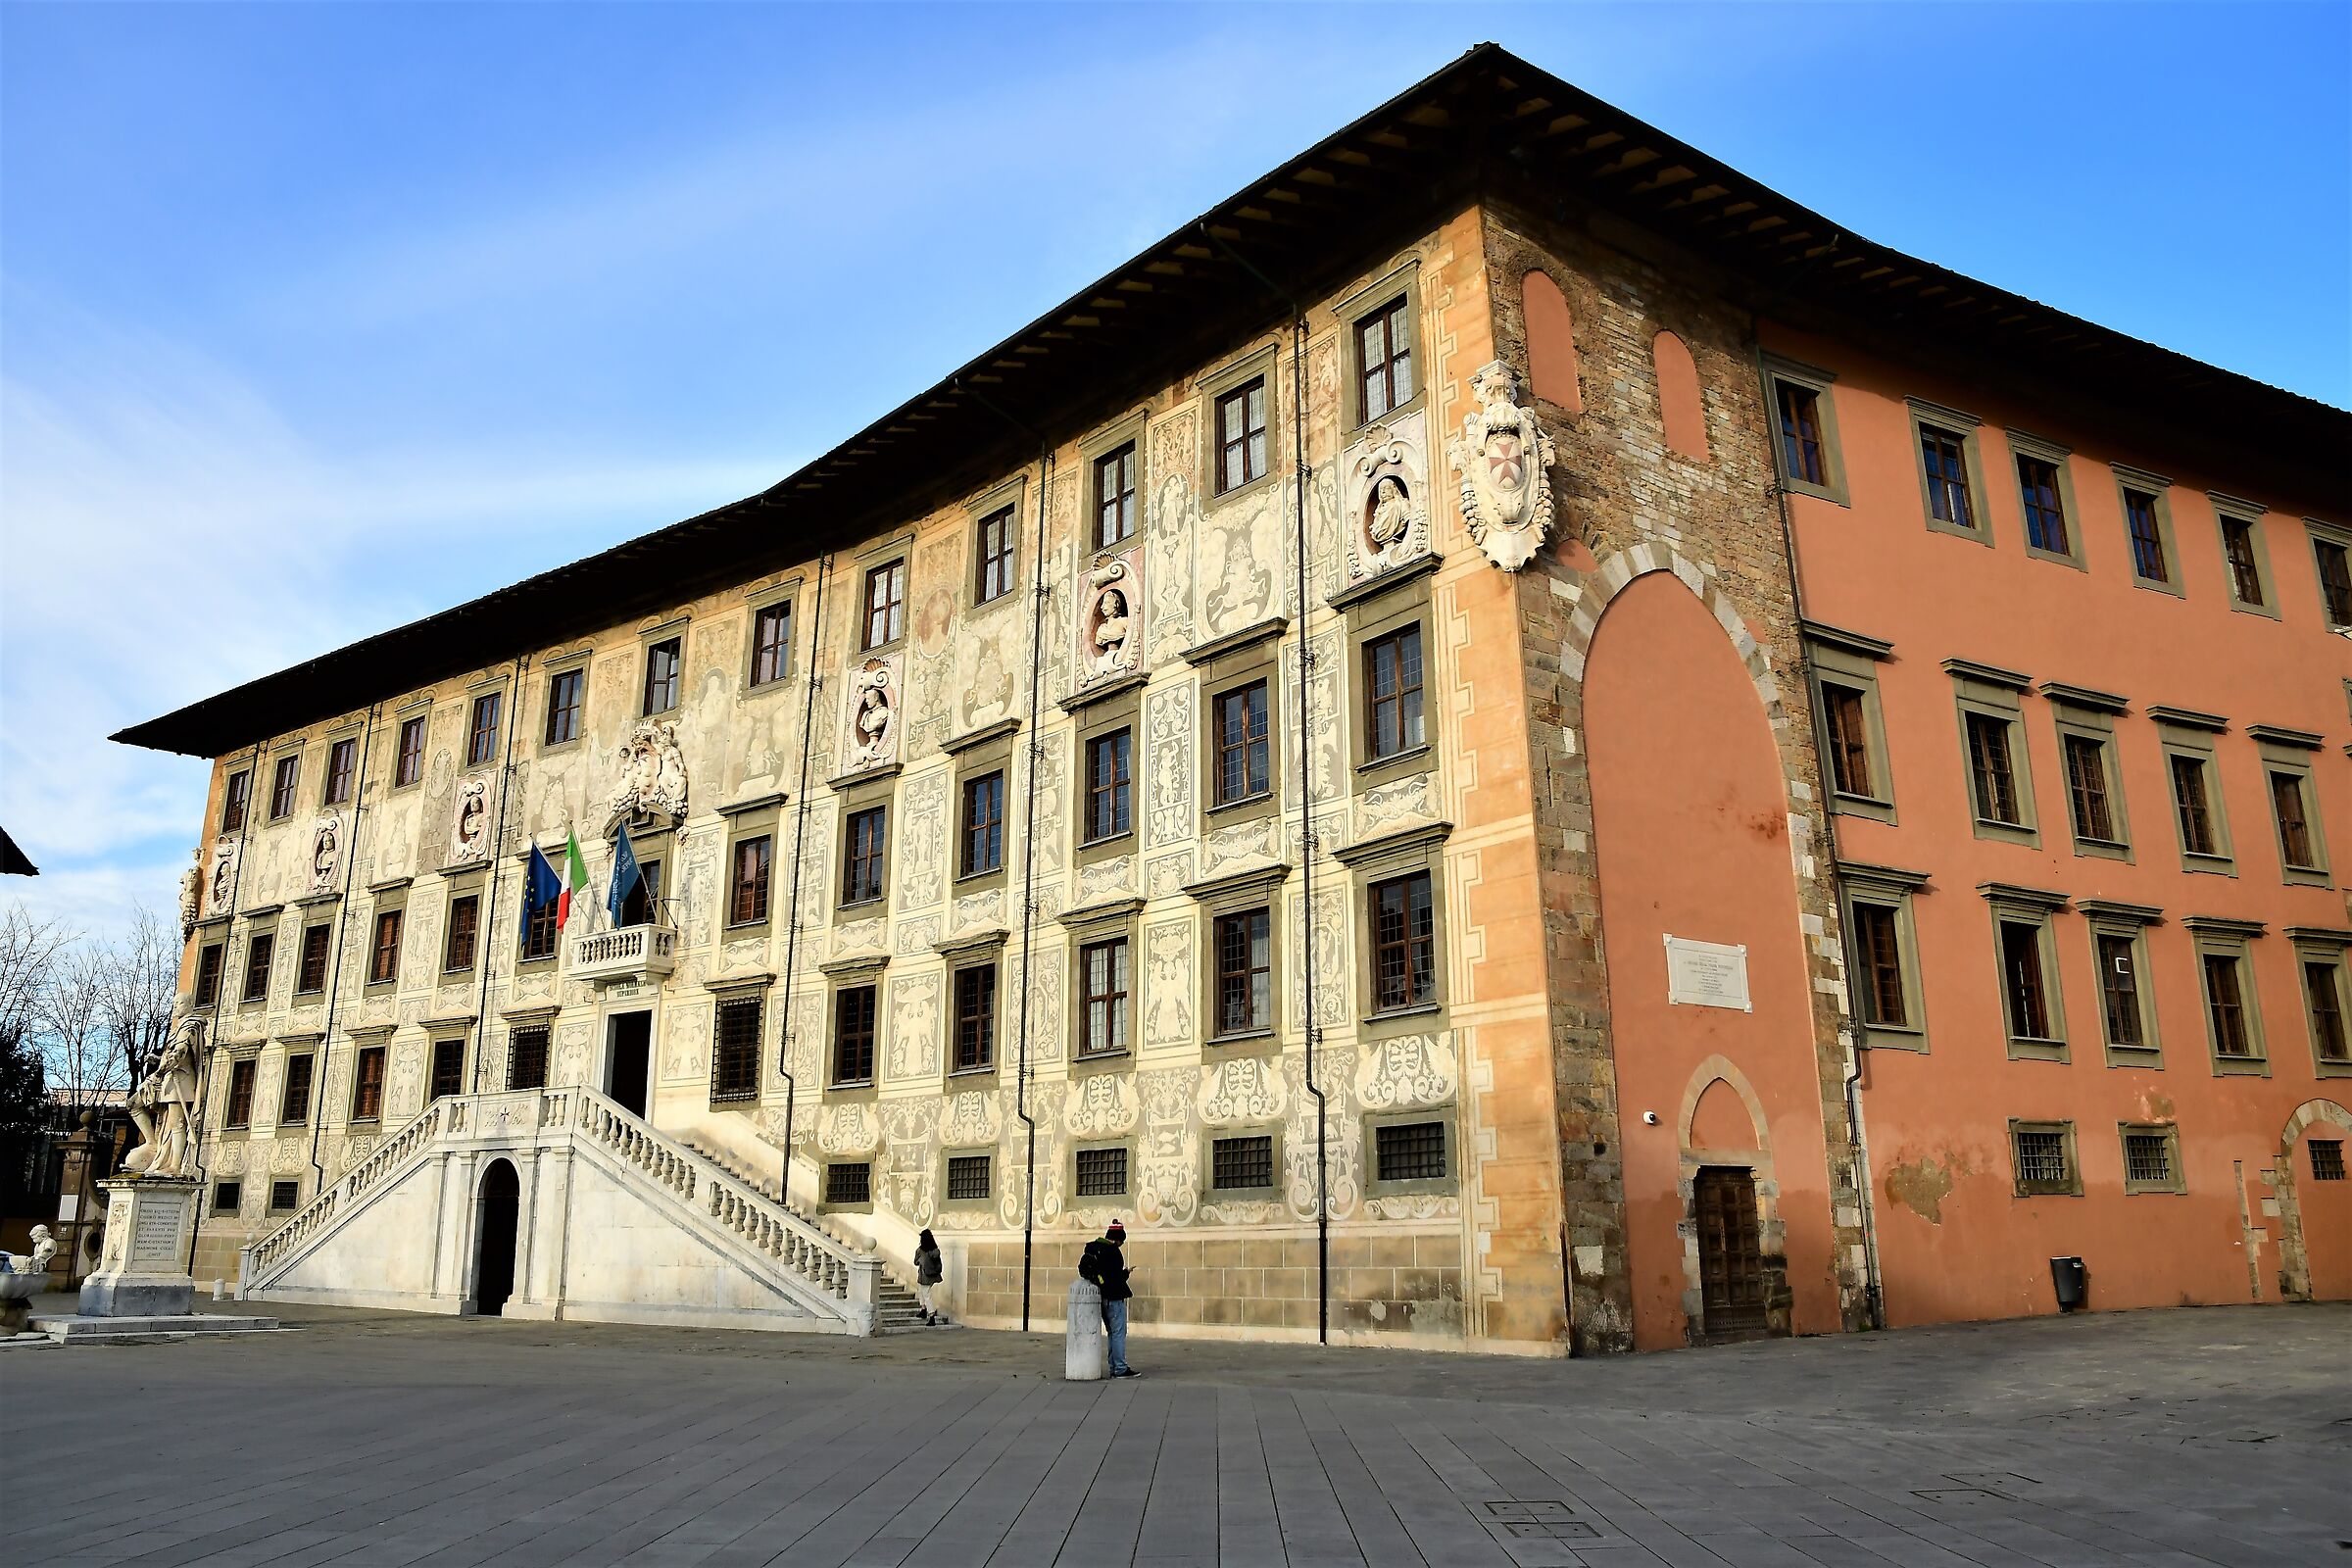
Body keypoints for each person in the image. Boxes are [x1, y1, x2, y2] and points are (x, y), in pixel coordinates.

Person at [1078, 1220, 1139, 1378]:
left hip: (1101, 1297)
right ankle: (1119, 1368)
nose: (1121, 1244)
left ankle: (1115, 1367)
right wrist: (1126, 1272)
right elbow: (1115, 1278)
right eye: (1121, 1241)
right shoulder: (1113, 1252)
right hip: (1114, 1298)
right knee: (1118, 1333)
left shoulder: (1094, 1248)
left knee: (1112, 1332)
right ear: (1118, 1239)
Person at [913, 1228, 944, 1326]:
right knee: (921, 1292)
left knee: (926, 1294)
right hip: (932, 1275)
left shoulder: (921, 1251)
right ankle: (923, 1309)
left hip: (924, 1275)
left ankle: (931, 1316)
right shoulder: (935, 1250)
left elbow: (916, 1262)